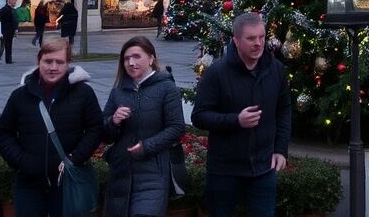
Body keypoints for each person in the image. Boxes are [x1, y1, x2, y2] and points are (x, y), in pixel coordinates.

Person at [191, 12, 290, 217]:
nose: (258, 43)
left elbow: (283, 111)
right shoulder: (217, 73)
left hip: (263, 169)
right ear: (236, 41)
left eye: (261, 37)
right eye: (251, 38)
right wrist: (236, 120)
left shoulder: (276, 70)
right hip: (224, 170)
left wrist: (280, 150)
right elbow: (199, 116)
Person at [0, 39, 103, 217]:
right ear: (39, 61)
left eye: (59, 62)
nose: (53, 67)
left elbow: (95, 129)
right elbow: (3, 134)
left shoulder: (83, 93)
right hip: (29, 183)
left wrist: (74, 158)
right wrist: (22, 161)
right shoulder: (20, 96)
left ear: (67, 63)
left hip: (66, 182)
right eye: (48, 61)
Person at [102, 36, 186, 217]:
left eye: (136, 56)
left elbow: (177, 128)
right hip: (120, 174)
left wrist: (146, 147)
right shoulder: (118, 92)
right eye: (126, 58)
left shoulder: (166, 88)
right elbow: (105, 134)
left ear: (151, 58)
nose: (131, 63)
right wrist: (113, 121)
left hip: (153, 174)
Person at [0, 0, 21, 64]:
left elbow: (14, 20)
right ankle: (3, 59)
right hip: (7, 30)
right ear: (10, 1)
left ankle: (4, 59)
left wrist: (16, 28)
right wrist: (15, 28)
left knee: (6, 45)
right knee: (7, 45)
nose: (15, 2)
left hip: (9, 30)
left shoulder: (10, 9)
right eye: (14, 1)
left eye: (15, 1)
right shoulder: (6, 9)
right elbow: (12, 20)